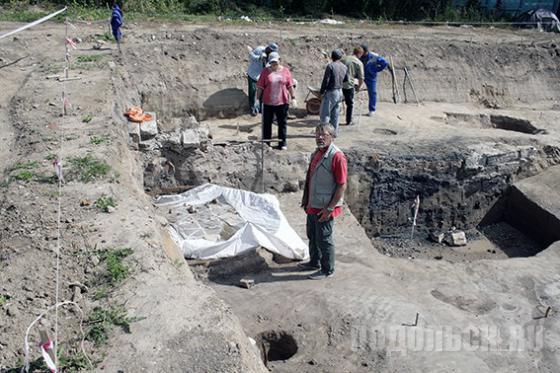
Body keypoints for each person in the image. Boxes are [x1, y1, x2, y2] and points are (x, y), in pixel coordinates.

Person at [299, 123, 347, 280]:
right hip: (314, 203)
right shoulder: (317, 153)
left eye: (324, 134)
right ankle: (314, 262)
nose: (320, 137)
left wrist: (330, 208)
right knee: (312, 235)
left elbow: (341, 185)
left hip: (325, 206)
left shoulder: (337, 157)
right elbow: (310, 179)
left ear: (331, 136)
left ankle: (327, 269)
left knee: (324, 239)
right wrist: (306, 199)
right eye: (317, 134)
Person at [255, 52, 296, 150]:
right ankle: (267, 144)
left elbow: (290, 86)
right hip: (268, 102)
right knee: (267, 124)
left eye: (275, 62)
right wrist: (257, 99)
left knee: (282, 124)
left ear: (279, 61)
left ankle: (282, 143)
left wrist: (293, 98)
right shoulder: (265, 72)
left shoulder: (285, 71)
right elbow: (260, 87)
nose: (274, 65)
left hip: (282, 102)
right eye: (272, 63)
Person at [319, 49, 348, 136]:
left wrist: (321, 91)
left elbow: (326, 80)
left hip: (331, 91)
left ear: (331, 57)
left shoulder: (330, 66)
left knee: (325, 113)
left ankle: (323, 133)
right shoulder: (344, 66)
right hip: (340, 91)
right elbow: (346, 79)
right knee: (335, 114)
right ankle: (334, 133)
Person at [357, 44, 390, 116]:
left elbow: (384, 63)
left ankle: (372, 110)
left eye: (361, 52)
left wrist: (376, 69)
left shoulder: (374, 56)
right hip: (360, 75)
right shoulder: (359, 56)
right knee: (352, 90)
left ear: (365, 51)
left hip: (370, 76)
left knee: (372, 92)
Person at [341, 47, 364, 126]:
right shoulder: (358, 63)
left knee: (336, 103)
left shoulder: (343, 59)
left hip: (338, 84)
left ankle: (332, 120)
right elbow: (361, 78)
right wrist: (358, 87)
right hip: (349, 85)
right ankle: (349, 121)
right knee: (350, 104)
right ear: (360, 54)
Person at [247, 45, 266, 116]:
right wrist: (258, 57)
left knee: (262, 92)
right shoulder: (255, 57)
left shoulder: (268, 58)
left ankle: (260, 108)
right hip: (253, 75)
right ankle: (252, 108)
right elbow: (252, 57)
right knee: (252, 91)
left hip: (262, 76)